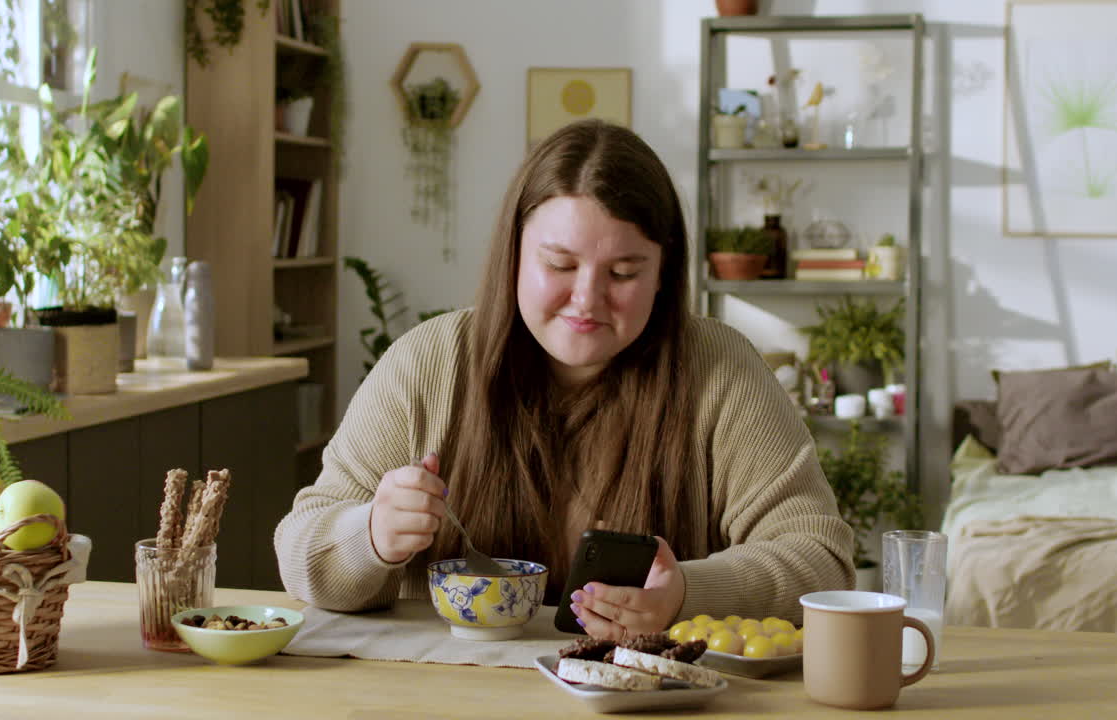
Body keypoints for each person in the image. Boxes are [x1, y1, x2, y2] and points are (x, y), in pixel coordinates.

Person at [274, 119, 854, 641]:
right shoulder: (430, 363)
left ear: (663, 272)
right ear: (514, 254)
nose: (586, 299)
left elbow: (821, 558)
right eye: (559, 264)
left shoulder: (717, 370)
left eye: (623, 273)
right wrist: (371, 535)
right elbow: (301, 551)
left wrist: (686, 592)